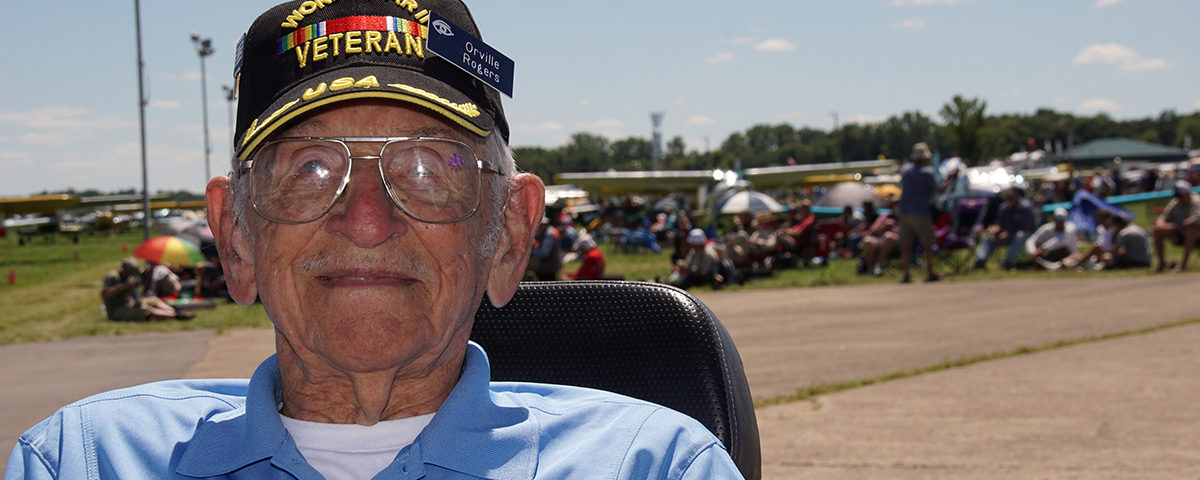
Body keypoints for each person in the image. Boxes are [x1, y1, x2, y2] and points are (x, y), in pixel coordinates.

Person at [7, 2, 743, 479]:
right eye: (309, 168)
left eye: (429, 167)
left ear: (509, 235)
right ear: (236, 237)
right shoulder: (83, 462)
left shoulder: (653, 467)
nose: (366, 220)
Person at [897, 142, 944, 283]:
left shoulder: (905, 170)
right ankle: (930, 273)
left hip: (904, 211)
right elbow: (939, 190)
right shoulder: (928, 172)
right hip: (920, 212)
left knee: (906, 245)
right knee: (927, 244)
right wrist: (949, 180)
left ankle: (906, 274)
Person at [99, 258, 190, 321]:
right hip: (117, 310)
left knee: (153, 300)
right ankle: (175, 316)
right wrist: (122, 287)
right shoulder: (113, 276)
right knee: (145, 311)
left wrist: (135, 287)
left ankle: (173, 311)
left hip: (130, 303)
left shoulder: (127, 278)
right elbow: (105, 295)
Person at [973, 186, 1038, 270]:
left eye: (1012, 195)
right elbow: (999, 224)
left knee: (1020, 236)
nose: (1009, 197)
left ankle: (1007, 262)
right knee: (989, 236)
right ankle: (980, 261)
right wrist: (993, 229)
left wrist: (1008, 233)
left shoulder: (1026, 207)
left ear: (1018, 195)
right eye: (1008, 195)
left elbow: (1026, 227)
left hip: (1025, 234)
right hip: (1006, 235)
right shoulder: (1004, 207)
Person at [1152, 180, 1200, 272]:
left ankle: (1183, 265)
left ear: (1187, 193)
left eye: (1180, 196)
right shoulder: (1175, 202)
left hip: (1196, 235)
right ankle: (1161, 264)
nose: (1179, 199)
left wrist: (1172, 227)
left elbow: (1192, 222)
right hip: (1180, 232)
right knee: (1157, 230)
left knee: (1190, 230)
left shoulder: (1197, 201)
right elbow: (1163, 218)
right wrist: (1160, 225)